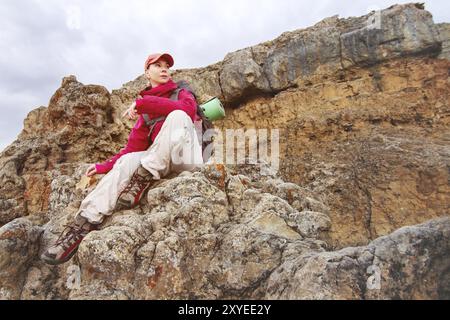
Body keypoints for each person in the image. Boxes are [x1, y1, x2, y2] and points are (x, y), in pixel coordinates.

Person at [41, 53, 204, 265]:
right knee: (126, 162)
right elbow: (130, 150)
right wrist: (102, 166)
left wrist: (144, 103)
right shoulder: (144, 111)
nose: (164, 69)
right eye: (158, 65)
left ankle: (143, 178)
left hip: (188, 158)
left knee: (178, 116)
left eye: (167, 66)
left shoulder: (182, 92)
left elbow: (188, 111)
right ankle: (82, 225)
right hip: (161, 161)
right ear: (147, 73)